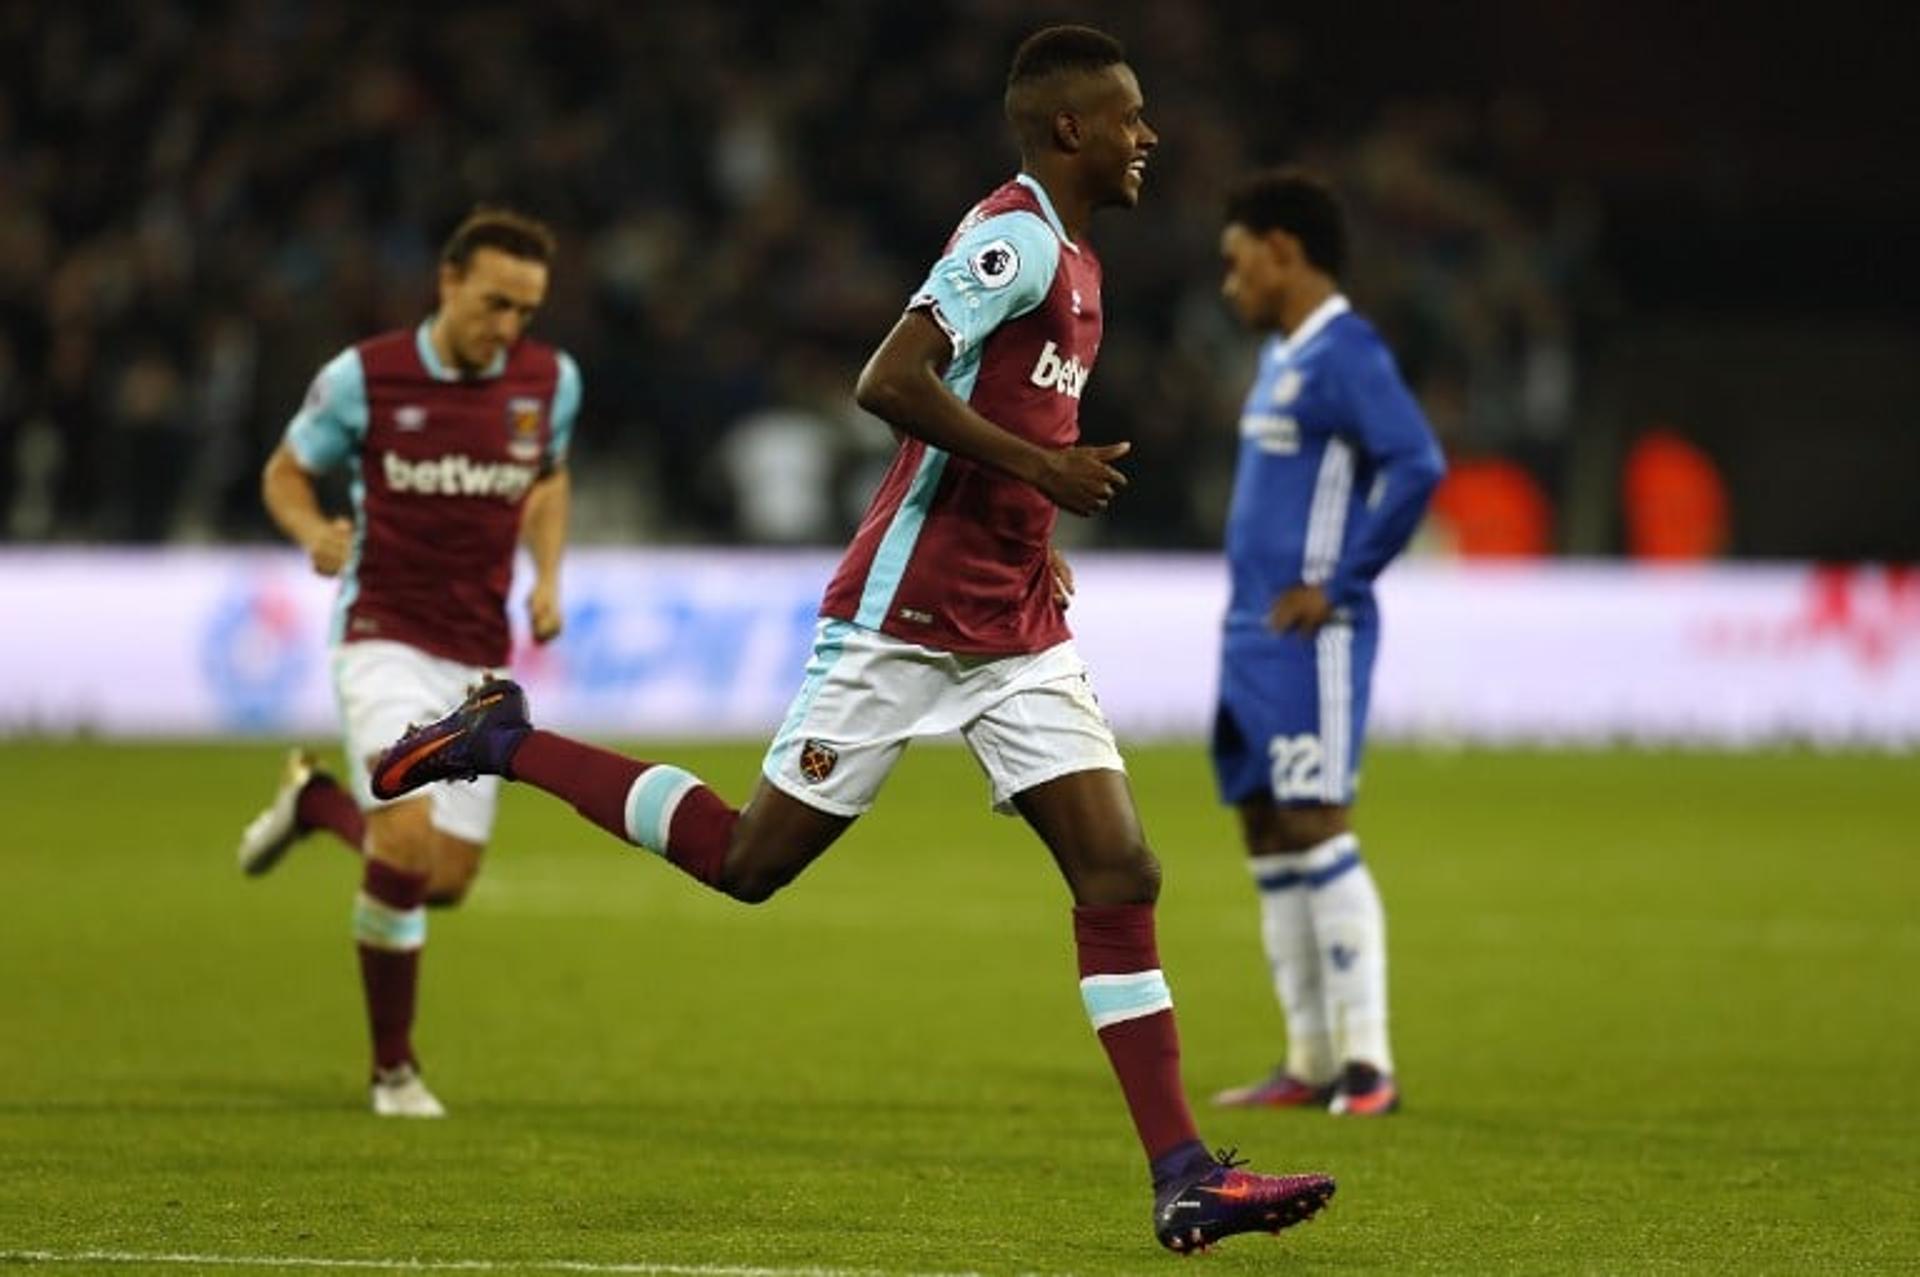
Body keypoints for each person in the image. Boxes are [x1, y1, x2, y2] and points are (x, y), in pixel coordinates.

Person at [368, 27, 1332, 1254]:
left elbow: (1001, 406)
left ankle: (1184, 1174)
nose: (1151, 134)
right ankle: (505, 738)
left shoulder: (1084, 264)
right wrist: (1042, 467)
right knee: (747, 860)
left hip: (1012, 627)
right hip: (908, 619)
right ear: (1070, 126)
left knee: (1120, 871)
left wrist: (1033, 528)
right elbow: (891, 377)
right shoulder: (1019, 237)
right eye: (1130, 115)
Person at [233, 207, 581, 1118]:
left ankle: (313, 804)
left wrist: (546, 580)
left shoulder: (549, 381)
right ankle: (394, 1070)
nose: (509, 328)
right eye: (496, 303)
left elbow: (546, 479)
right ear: (449, 282)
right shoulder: (366, 376)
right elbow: (284, 470)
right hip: (382, 633)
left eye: (527, 312)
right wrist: (313, 530)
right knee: (404, 840)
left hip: (477, 661)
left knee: (444, 881)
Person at [1206, 169, 1444, 1117]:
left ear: (1281, 250)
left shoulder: (1347, 351)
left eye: (1236, 264)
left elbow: (1418, 462)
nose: (1230, 286)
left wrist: (1339, 583)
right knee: (1266, 828)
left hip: (1314, 638)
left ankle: (1368, 1064)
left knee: (1315, 822)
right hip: (1250, 635)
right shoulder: (1283, 355)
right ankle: (1307, 1060)